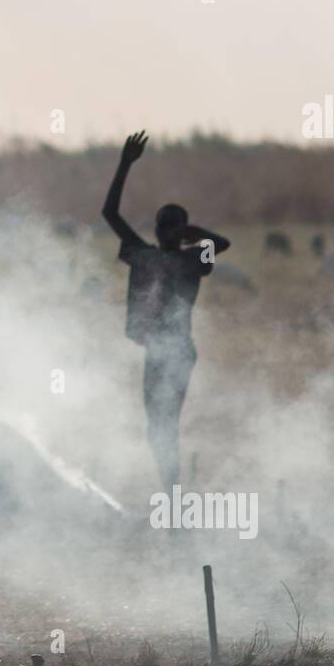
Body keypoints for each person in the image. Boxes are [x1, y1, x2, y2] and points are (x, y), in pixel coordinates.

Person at [102, 131, 230, 490]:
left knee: (165, 426)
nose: (164, 231)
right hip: (157, 351)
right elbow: (109, 213)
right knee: (155, 427)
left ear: (181, 231)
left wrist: (193, 232)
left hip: (176, 352)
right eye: (162, 225)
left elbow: (221, 244)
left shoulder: (192, 260)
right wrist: (125, 163)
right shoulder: (147, 256)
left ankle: (174, 498)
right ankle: (171, 492)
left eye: (171, 226)